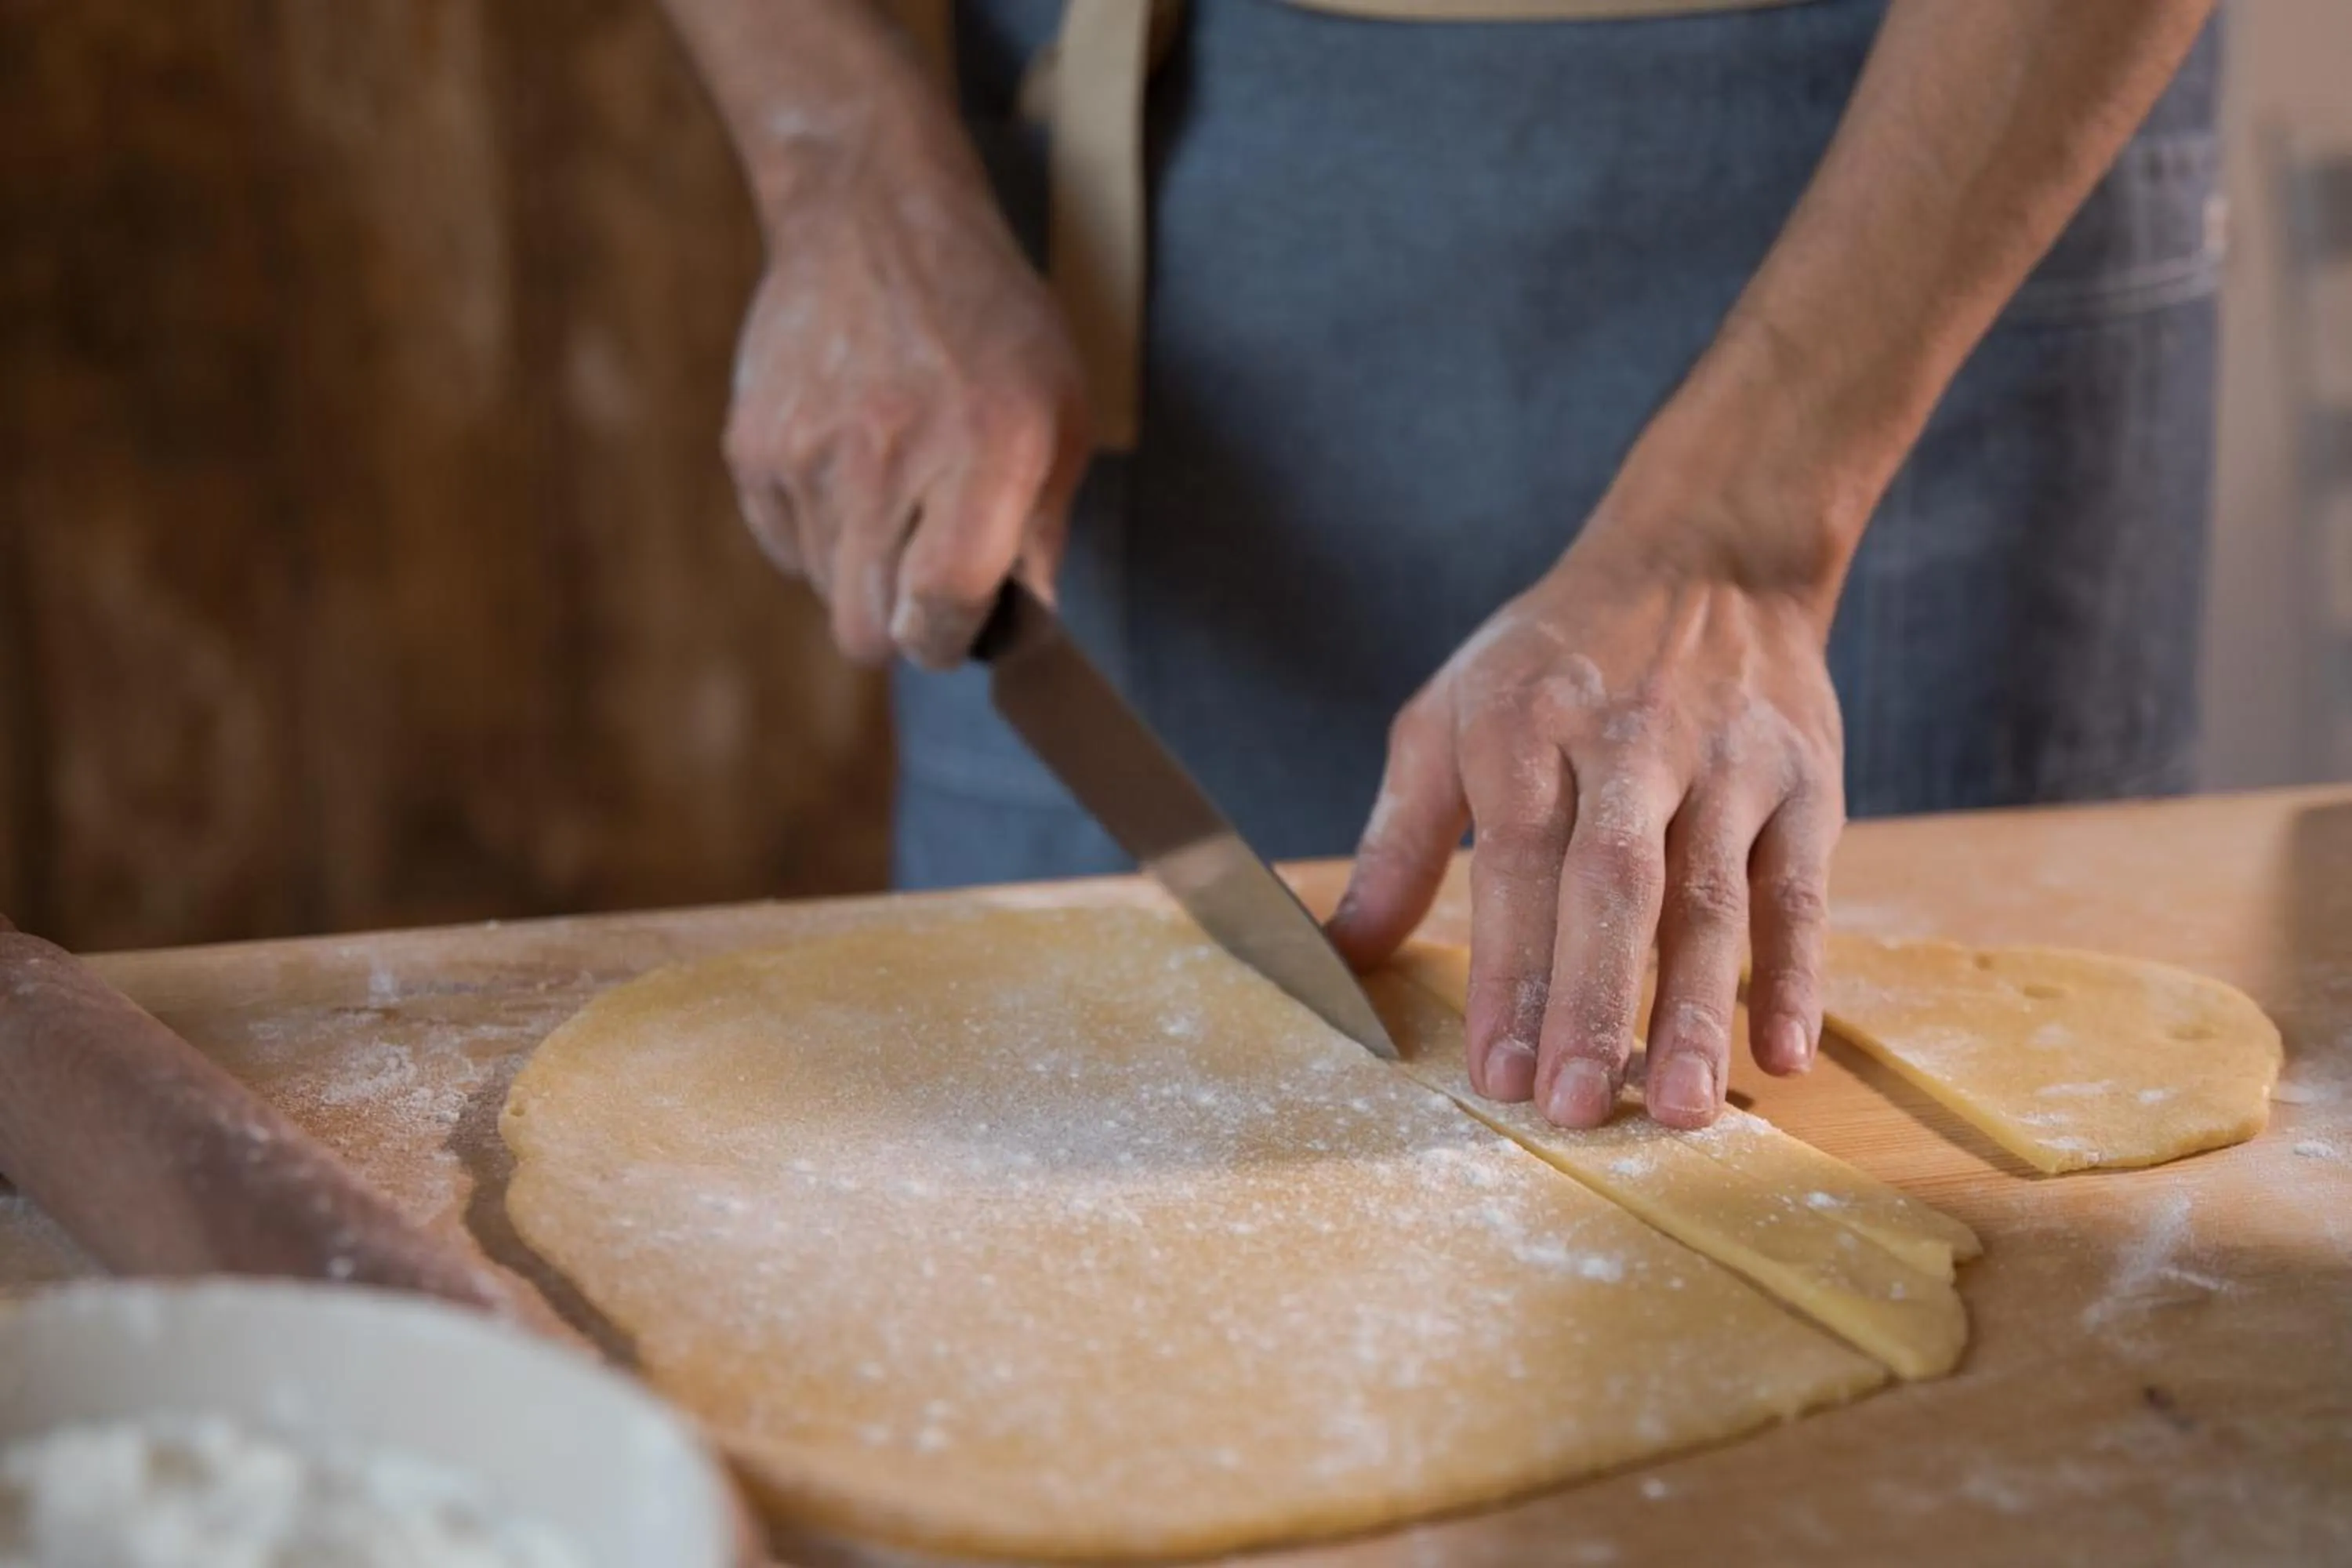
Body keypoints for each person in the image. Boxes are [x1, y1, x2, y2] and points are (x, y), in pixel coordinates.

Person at [660, 0, 2223, 1131]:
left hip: (1930, 178)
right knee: (1026, 1153)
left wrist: (1750, 520)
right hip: (1118, 210)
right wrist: (841, 154)